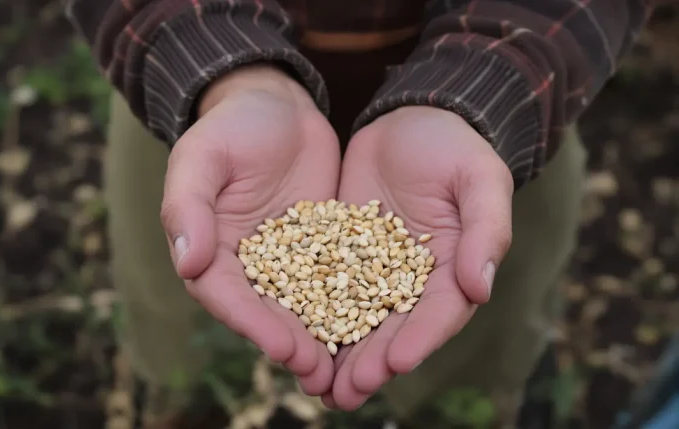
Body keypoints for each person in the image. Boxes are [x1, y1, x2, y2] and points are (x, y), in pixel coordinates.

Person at [64, 0, 657, 427]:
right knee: (177, 341)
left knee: (476, 369)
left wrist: (487, 78)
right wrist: (215, 62)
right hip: (194, 97)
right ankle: (180, 403)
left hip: (504, 108)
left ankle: (480, 405)